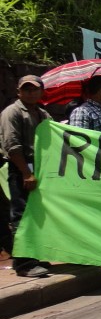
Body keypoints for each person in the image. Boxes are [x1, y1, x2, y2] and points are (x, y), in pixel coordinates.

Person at [0, 75, 53, 277]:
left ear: (41, 91)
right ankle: (24, 263)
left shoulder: (42, 113)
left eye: (35, 89)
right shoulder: (12, 113)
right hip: (21, 168)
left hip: (39, 169)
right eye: (27, 89)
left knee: (39, 214)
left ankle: (35, 255)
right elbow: (12, 146)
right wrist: (26, 173)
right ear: (18, 91)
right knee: (21, 215)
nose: (31, 92)